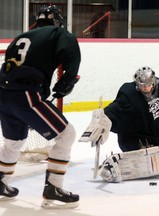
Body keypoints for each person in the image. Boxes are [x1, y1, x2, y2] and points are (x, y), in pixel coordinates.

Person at [0, 5, 81, 208]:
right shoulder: (59, 32)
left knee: (14, 141)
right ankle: (53, 187)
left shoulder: (22, 36)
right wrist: (65, 85)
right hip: (25, 93)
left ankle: (0, 182)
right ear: (57, 21)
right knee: (66, 134)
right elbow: (72, 55)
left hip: (3, 93)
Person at [79, 66, 159, 182]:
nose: (147, 88)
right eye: (143, 86)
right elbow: (110, 113)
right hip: (132, 141)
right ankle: (114, 167)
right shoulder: (129, 94)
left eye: (149, 85)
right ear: (137, 84)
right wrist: (100, 124)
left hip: (154, 139)